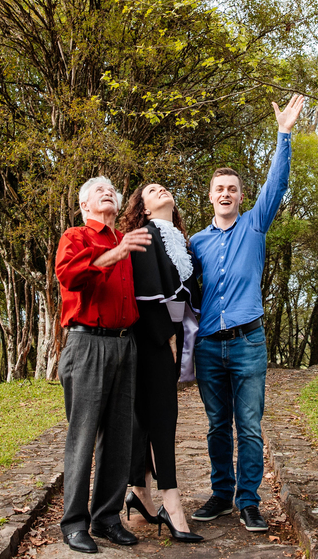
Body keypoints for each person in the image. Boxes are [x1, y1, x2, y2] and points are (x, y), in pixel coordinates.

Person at [189, 93, 305, 533]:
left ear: (241, 196)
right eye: (219, 189)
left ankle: (249, 502)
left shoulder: (256, 224)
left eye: (232, 189)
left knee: (250, 427)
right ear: (210, 196)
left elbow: (277, 183)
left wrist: (284, 134)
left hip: (248, 342)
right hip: (208, 346)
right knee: (218, 425)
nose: (226, 194)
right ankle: (221, 495)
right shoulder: (196, 242)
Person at [55, 176, 153, 553]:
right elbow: (70, 276)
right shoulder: (76, 236)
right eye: (100, 191)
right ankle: (74, 523)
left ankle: (107, 517)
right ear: (85, 205)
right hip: (87, 343)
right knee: (82, 437)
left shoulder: (125, 239)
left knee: (119, 437)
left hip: (125, 344)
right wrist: (115, 253)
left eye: (111, 190)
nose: (108, 192)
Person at [117, 183, 204, 544]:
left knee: (147, 417)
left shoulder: (181, 242)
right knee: (163, 417)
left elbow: (185, 298)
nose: (161, 189)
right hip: (150, 339)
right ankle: (172, 502)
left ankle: (140, 492)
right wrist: (167, 338)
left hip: (167, 336)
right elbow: (147, 296)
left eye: (163, 187)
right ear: (145, 209)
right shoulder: (146, 236)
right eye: (152, 190)